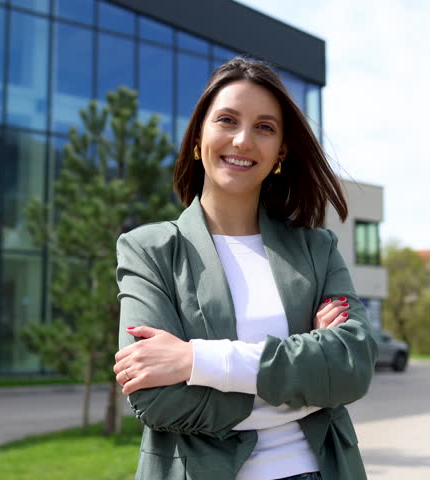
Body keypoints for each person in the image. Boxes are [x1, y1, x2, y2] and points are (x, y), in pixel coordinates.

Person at [112, 56, 378, 480]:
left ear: (280, 153)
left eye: (264, 128)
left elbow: (353, 366)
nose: (242, 140)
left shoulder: (316, 248)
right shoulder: (150, 250)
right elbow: (156, 398)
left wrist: (195, 360)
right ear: (198, 139)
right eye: (227, 120)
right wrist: (308, 384)